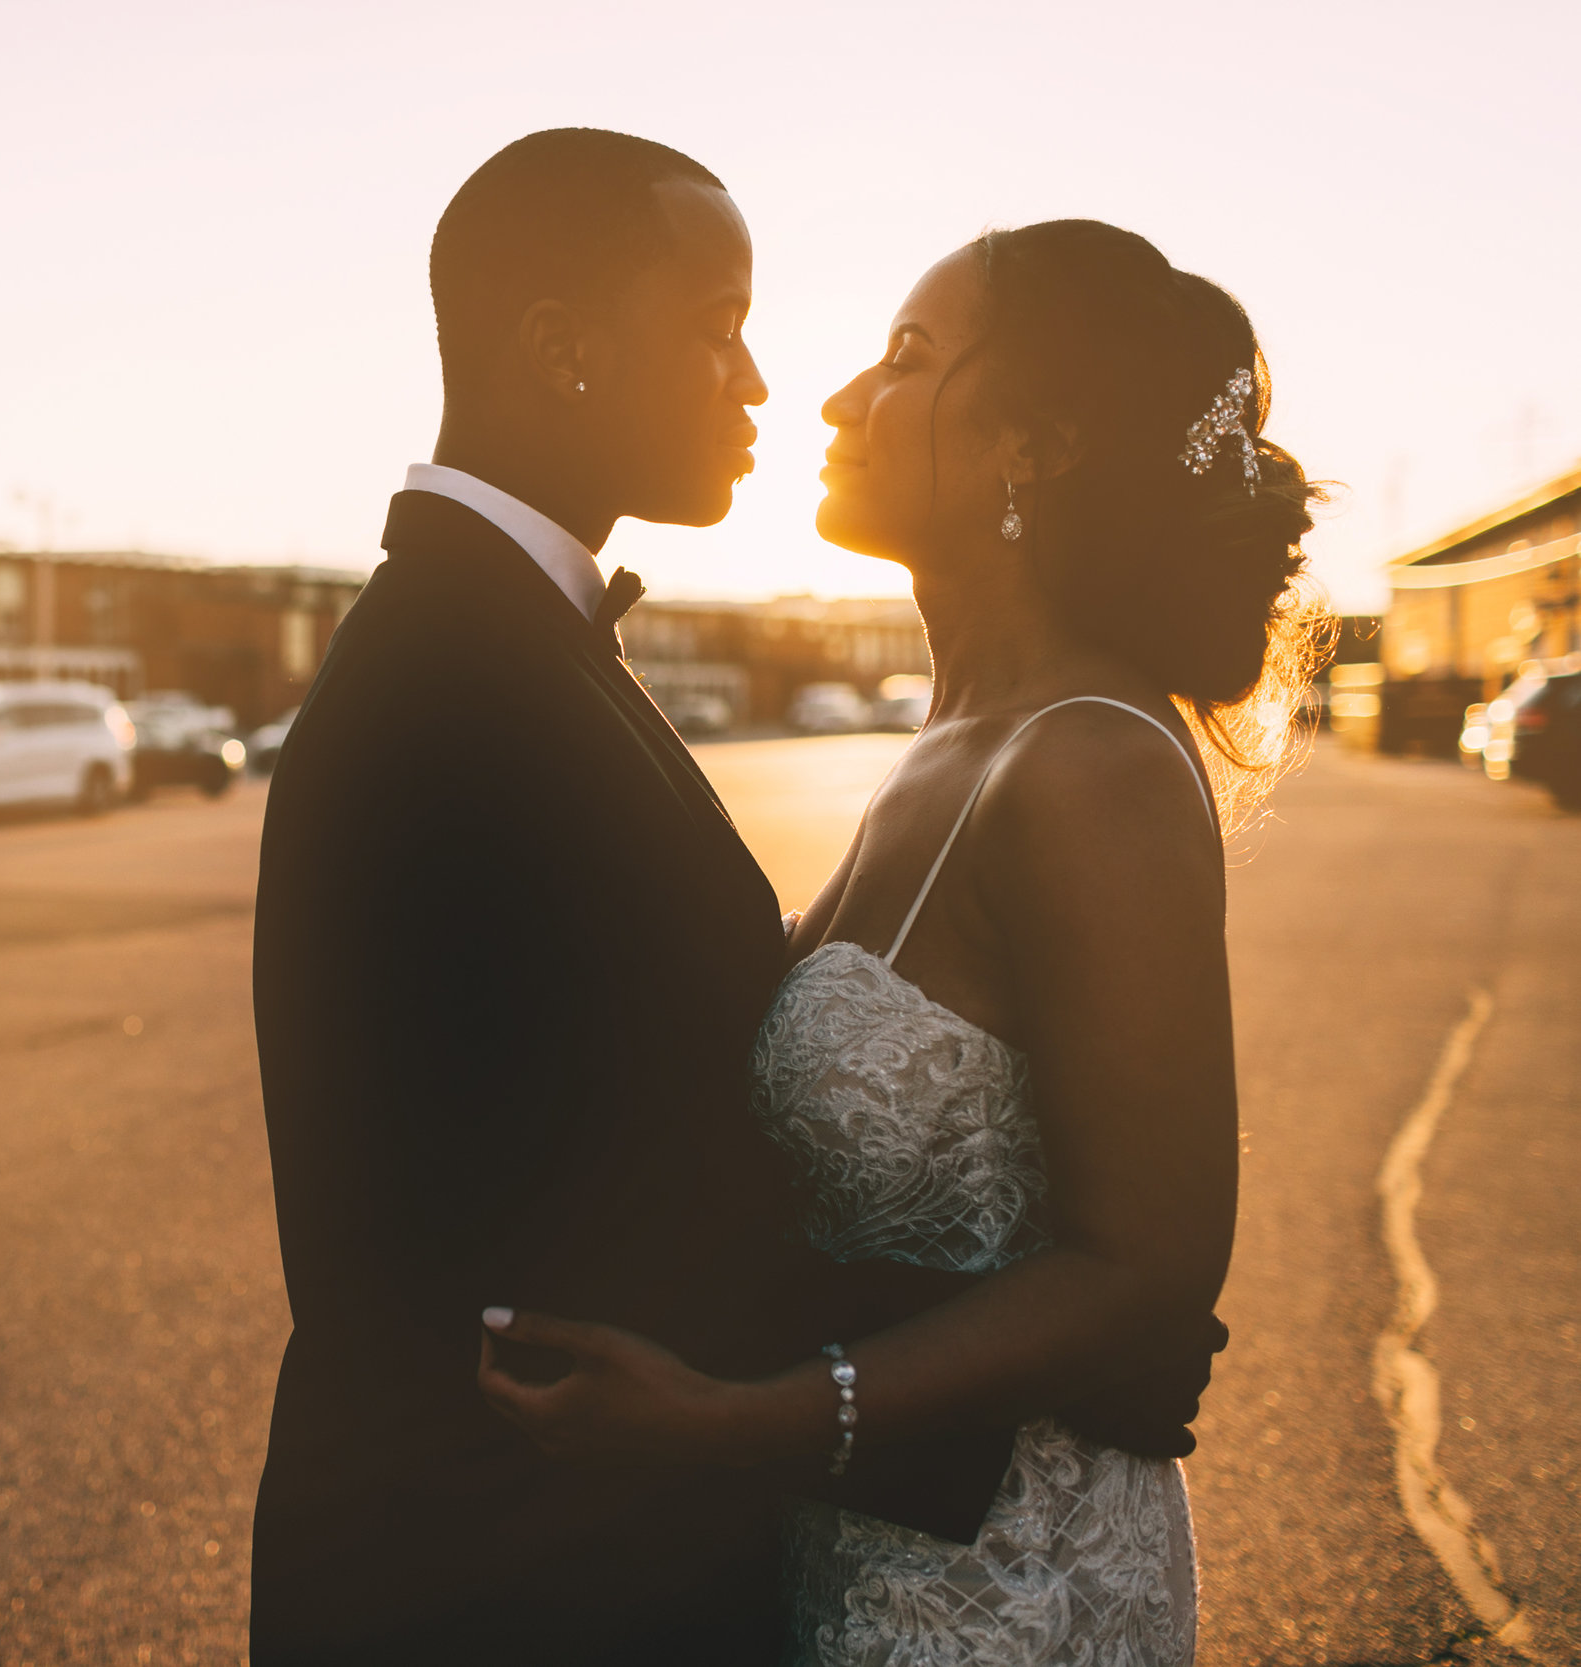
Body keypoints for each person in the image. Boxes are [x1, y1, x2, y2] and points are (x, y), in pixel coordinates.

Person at [249, 130, 1225, 1665]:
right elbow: (522, 1236)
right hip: (491, 1592)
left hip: (932, 1586)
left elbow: (638, 1141)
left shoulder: (534, 648)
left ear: (1032, 445)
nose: (780, 384)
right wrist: (1044, 1359)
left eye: (904, 353)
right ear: (566, 352)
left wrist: (1089, 1313)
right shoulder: (451, 681)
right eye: (719, 329)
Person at [475, 218, 1327, 1664]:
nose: (837, 398)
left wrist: (741, 1419)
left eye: (911, 357)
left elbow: (1151, 1269)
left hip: (1008, 1586)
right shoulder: (948, 742)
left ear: (1034, 444)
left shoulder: (1091, 764)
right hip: (847, 1555)